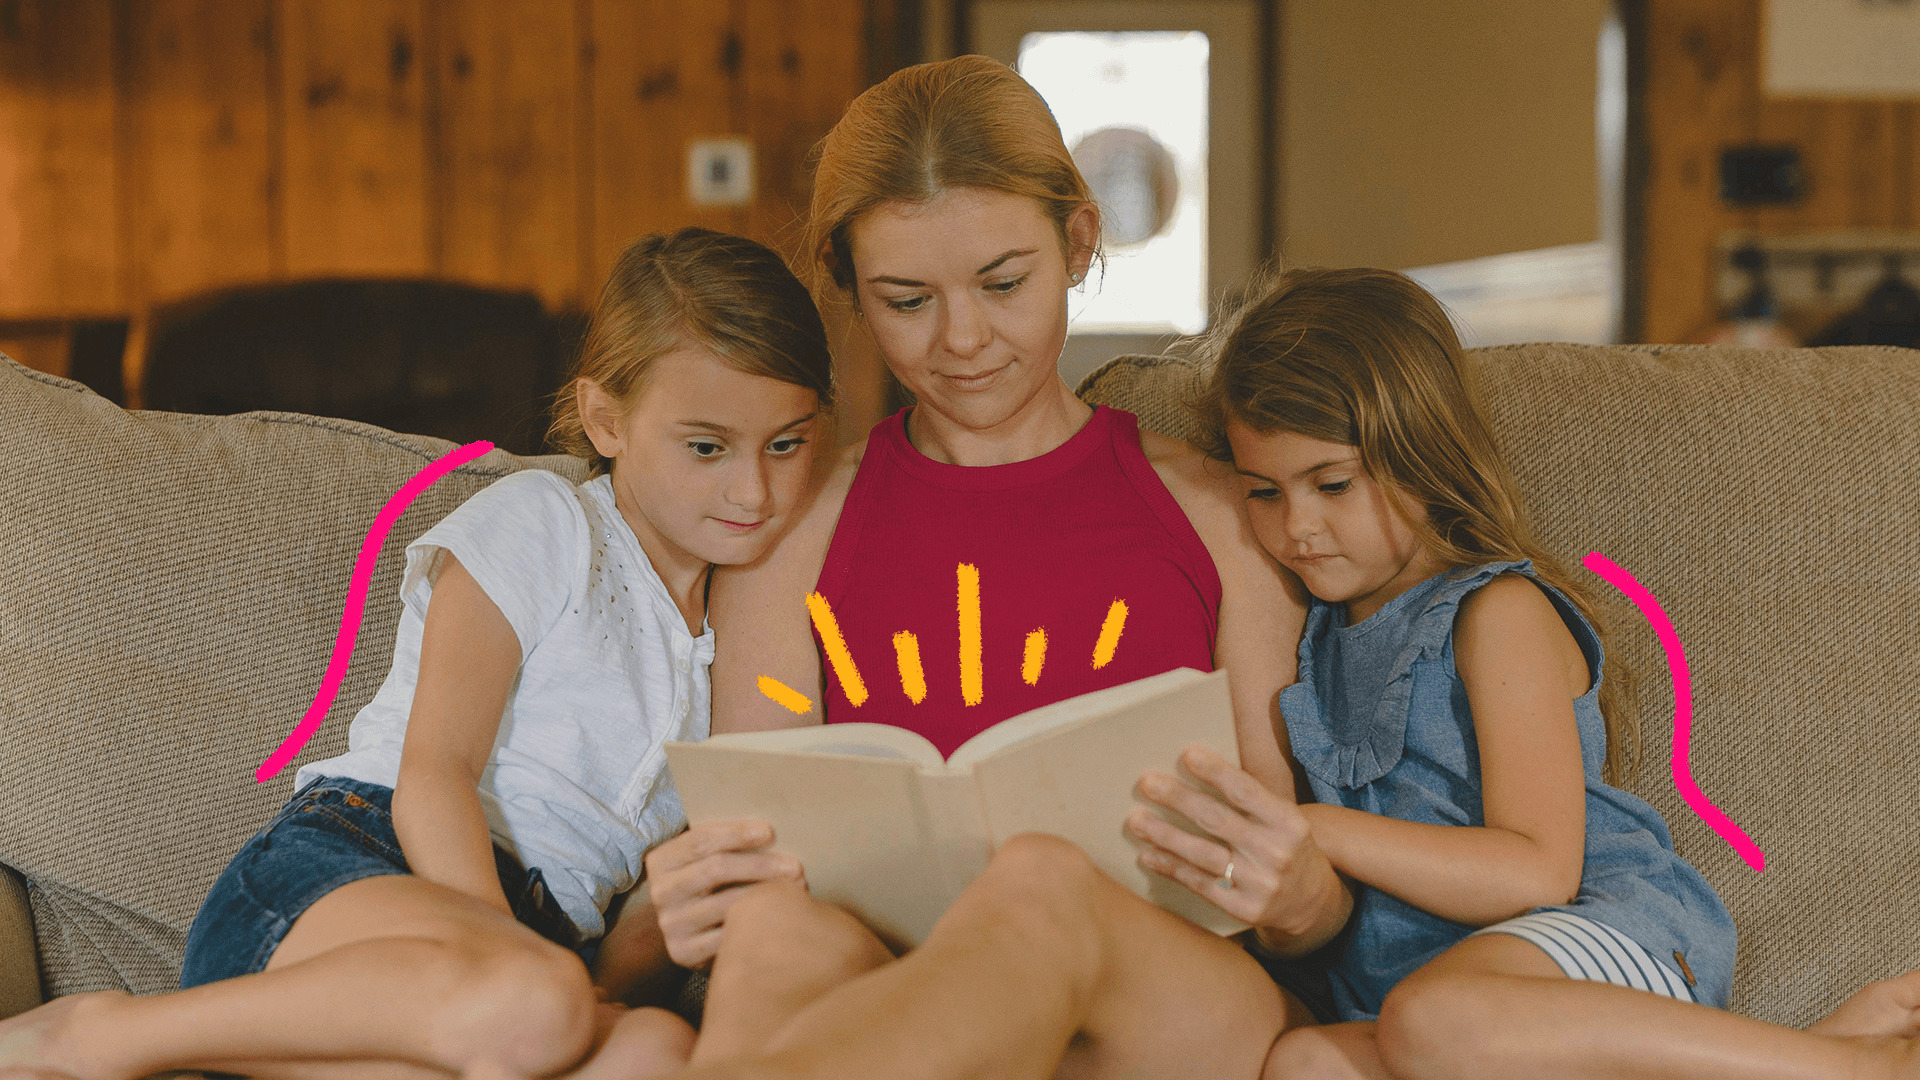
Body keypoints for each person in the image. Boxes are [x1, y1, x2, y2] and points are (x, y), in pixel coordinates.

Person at [640, 55, 1351, 1078]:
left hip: (1173, 1001)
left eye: (1003, 283)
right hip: (888, 989)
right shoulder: (793, 533)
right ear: (849, 289)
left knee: (1041, 883)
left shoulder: (1219, 510)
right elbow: (760, 860)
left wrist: (1305, 897)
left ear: (1077, 240)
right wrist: (698, 892)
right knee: (773, 936)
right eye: (906, 300)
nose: (963, 339)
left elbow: (1295, 873)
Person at [0, 227, 835, 1080]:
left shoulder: (726, 654)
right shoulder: (548, 521)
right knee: (535, 1005)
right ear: (604, 418)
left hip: (529, 956)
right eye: (706, 447)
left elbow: (601, 942)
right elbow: (435, 774)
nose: (753, 491)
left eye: (786, 444)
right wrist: (514, 961)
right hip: (352, 875)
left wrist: (646, 932)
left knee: (657, 1051)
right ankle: (101, 1036)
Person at [1191, 265, 1920, 1080]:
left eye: (1331, 484)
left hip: (1589, 942)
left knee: (1437, 1018)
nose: (1298, 527)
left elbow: (1537, 868)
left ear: (1422, 454)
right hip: (1430, 1011)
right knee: (1304, 1063)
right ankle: (1816, 1051)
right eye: (1262, 492)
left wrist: (1317, 830)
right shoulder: (1316, 640)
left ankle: (1861, 1073)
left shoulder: (1494, 612)